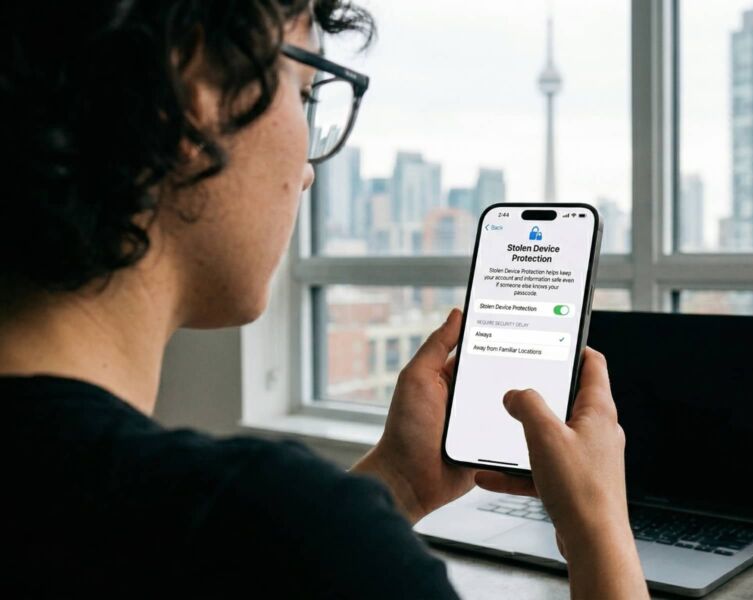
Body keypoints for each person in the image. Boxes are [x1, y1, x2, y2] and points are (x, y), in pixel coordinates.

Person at [0, 1, 648, 598]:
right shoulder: (279, 525)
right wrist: (598, 526)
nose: (309, 170)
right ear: (196, 95)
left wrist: (397, 479)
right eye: (306, 93)